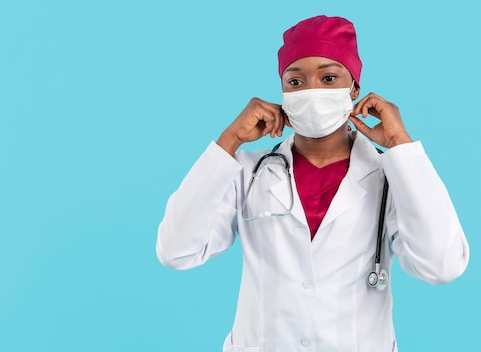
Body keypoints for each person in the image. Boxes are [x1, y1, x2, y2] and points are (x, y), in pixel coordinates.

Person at [156, 15, 469, 351]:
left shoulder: (391, 176)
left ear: (354, 90)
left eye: (329, 77)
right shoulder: (249, 172)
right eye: (295, 82)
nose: (311, 91)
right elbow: (177, 252)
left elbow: (442, 266)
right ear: (282, 92)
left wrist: (401, 146)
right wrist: (229, 141)